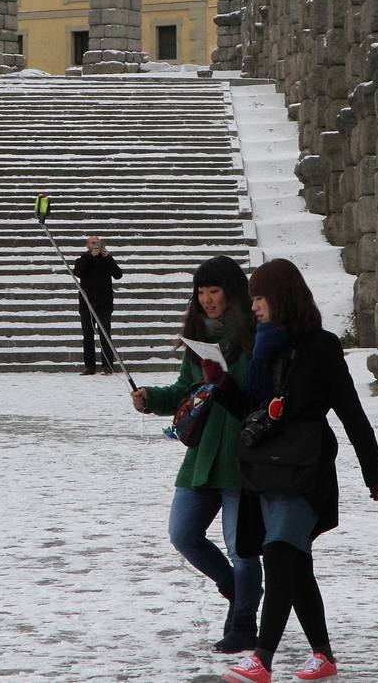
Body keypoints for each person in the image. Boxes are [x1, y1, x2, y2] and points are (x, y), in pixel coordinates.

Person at [223, 258, 378, 683]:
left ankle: (261, 658)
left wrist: (373, 469)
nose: (254, 306)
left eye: (259, 297)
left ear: (281, 296)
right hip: (267, 472)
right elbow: (253, 413)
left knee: (279, 555)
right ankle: (323, 655)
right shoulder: (260, 347)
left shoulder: (321, 345)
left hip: (305, 471)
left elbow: (351, 410)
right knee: (296, 568)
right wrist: (220, 385)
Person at [130, 256, 262, 653]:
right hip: (203, 457)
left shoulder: (256, 337)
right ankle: (236, 593)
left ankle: (244, 623)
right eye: (201, 291)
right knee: (183, 534)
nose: (206, 299)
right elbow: (185, 391)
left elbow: (258, 395)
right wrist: (151, 398)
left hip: (242, 457)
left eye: (214, 290)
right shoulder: (197, 341)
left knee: (243, 547)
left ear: (232, 291)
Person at [72, 234, 122, 375]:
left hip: (104, 304)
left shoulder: (107, 259)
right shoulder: (82, 259)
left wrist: (109, 258)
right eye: (93, 243)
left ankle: (107, 366)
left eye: (97, 242)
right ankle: (90, 366)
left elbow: (118, 274)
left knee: (105, 335)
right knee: (87, 335)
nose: (95, 245)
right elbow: (78, 272)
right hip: (86, 304)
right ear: (87, 245)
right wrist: (90, 257)